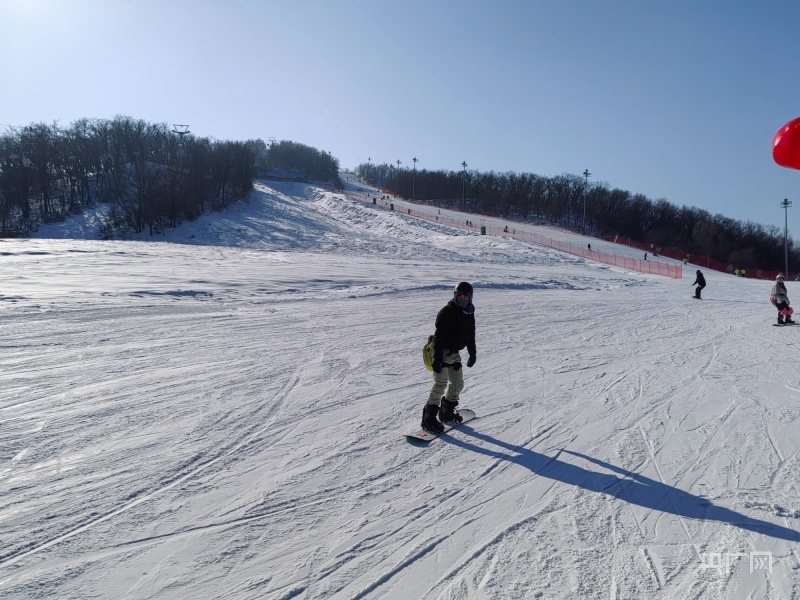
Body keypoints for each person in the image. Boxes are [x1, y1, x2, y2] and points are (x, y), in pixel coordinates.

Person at [421, 282, 477, 433]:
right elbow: (439, 337)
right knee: (440, 384)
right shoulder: (447, 312)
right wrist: (437, 358)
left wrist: (472, 354)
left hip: (455, 354)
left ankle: (446, 413)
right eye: (460, 296)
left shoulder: (469, 313)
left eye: (466, 296)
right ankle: (428, 419)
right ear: (455, 296)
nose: (463, 299)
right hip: (441, 352)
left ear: (470, 298)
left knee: (458, 385)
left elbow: (471, 336)